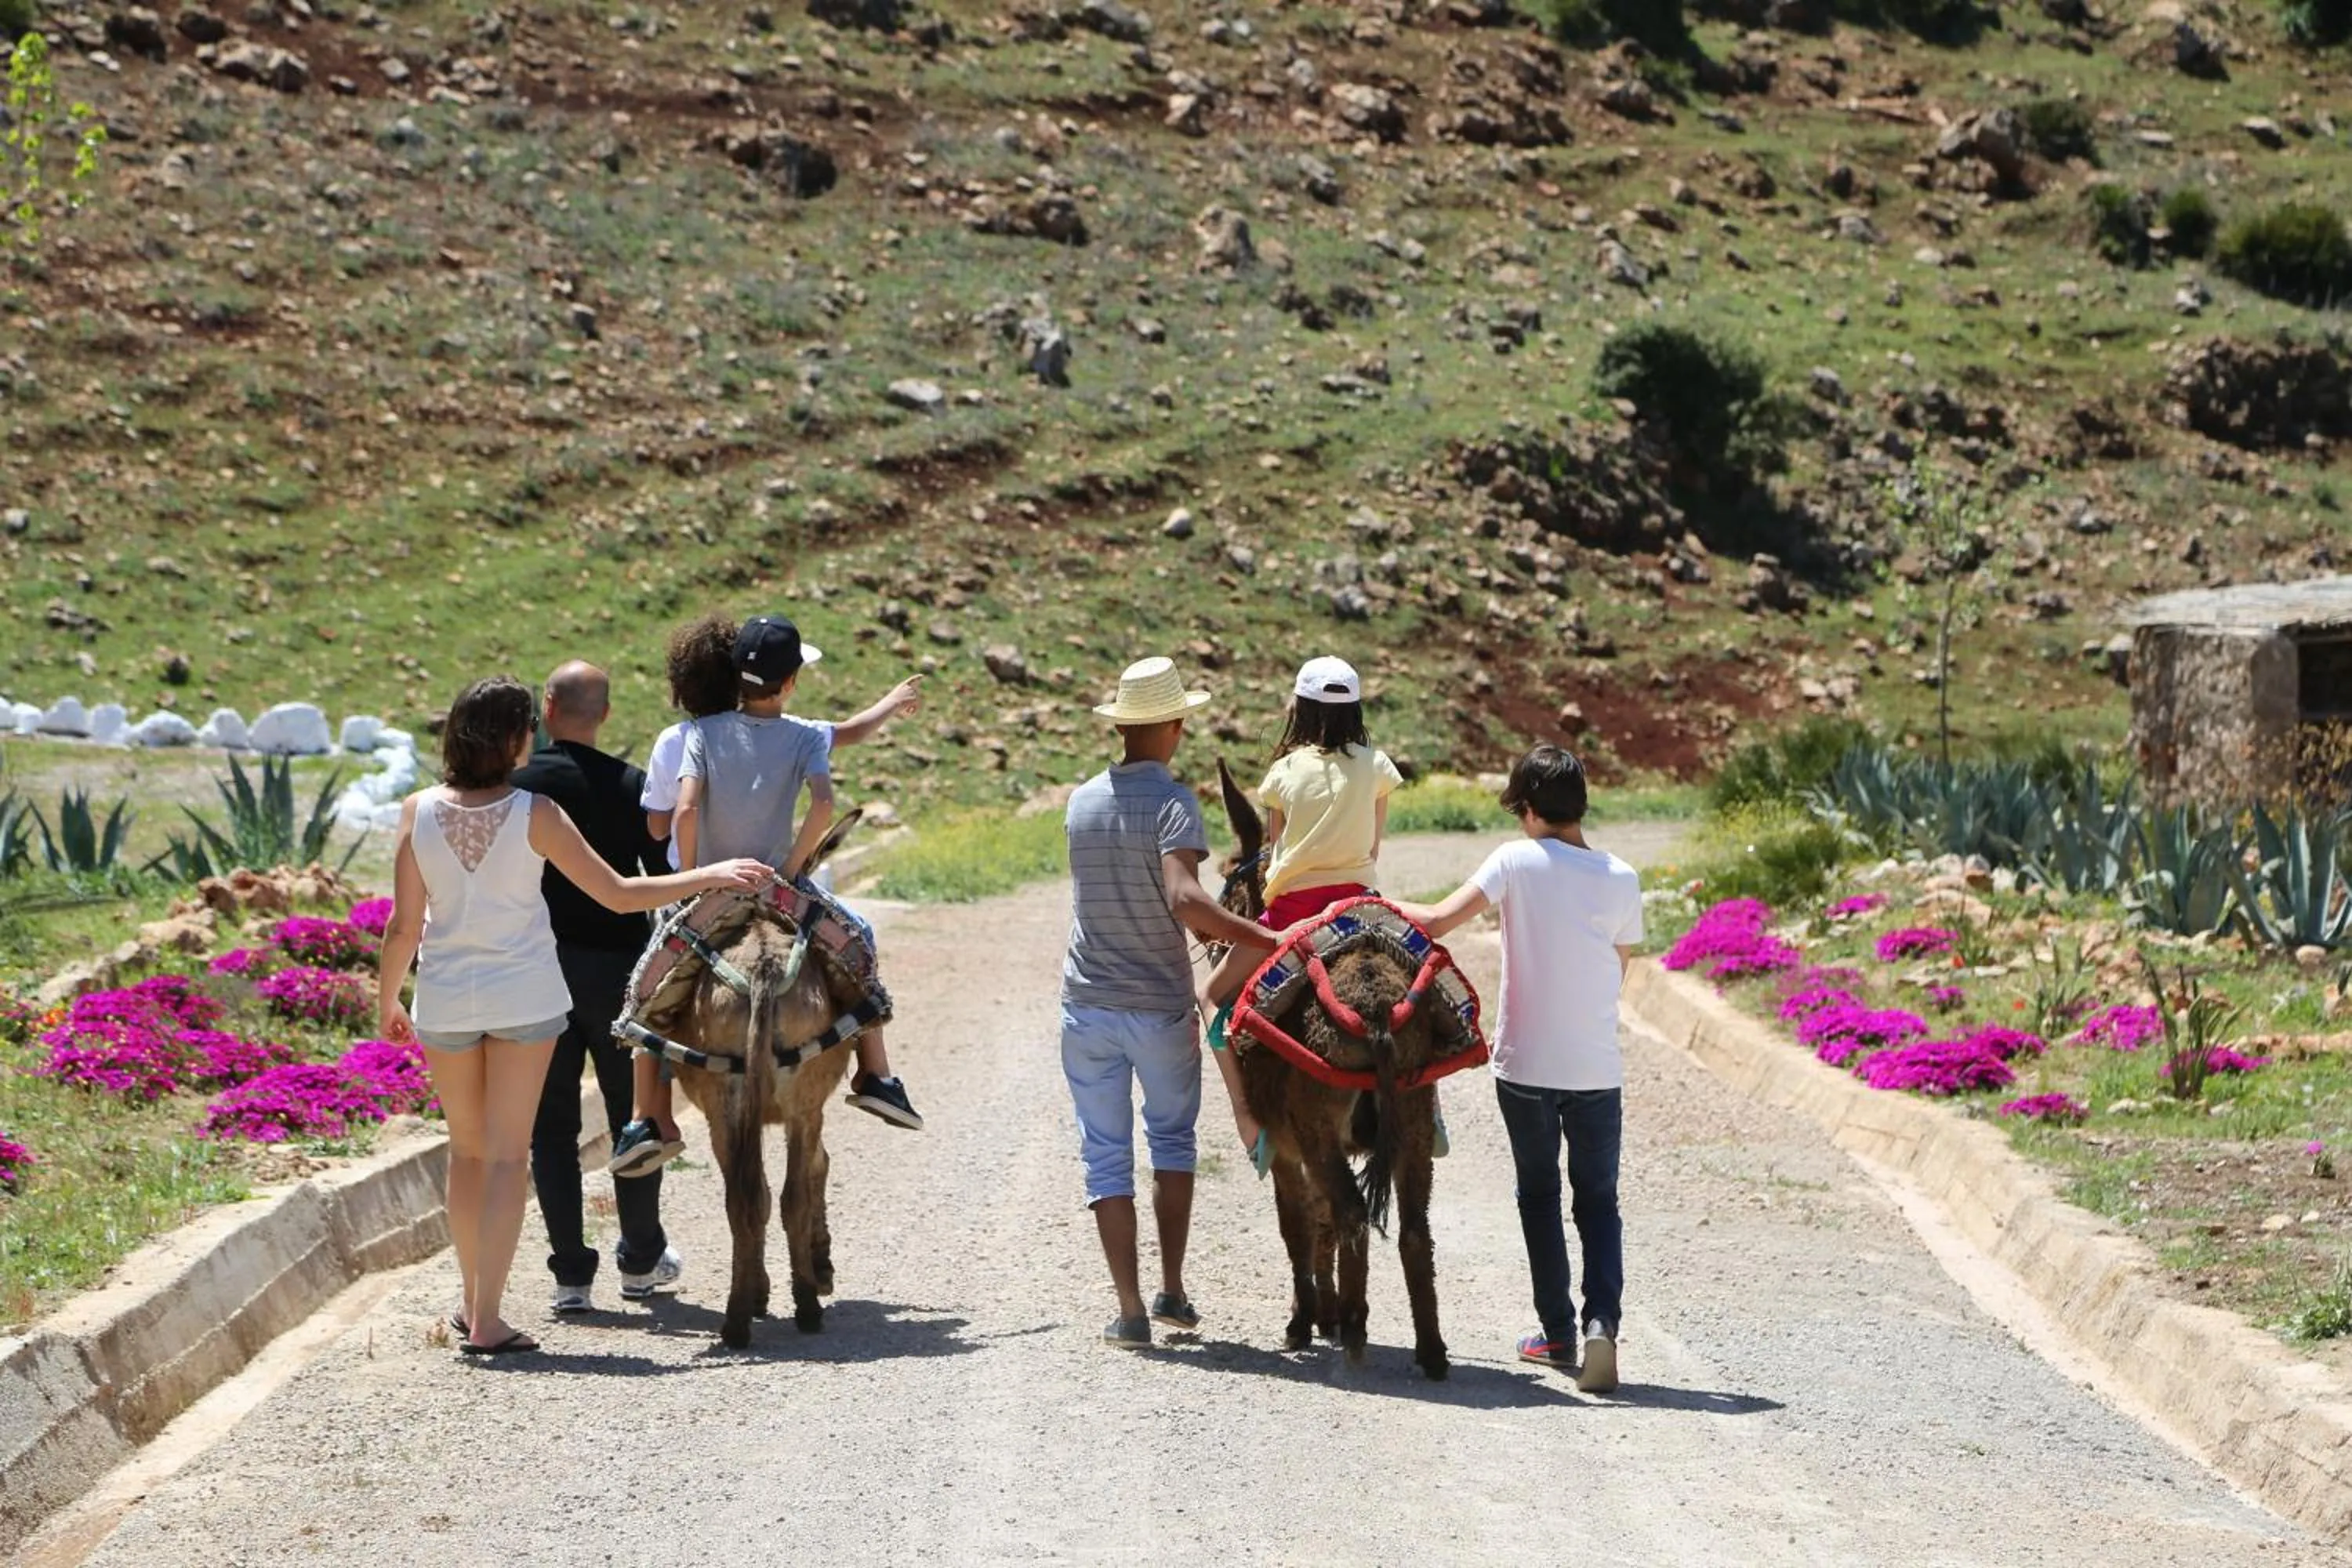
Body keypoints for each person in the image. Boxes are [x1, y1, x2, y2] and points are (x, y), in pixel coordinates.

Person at [376, 676, 770, 1356]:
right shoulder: (534, 813)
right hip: (524, 998)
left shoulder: (416, 811)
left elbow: (403, 925)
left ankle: (472, 1306)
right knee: (505, 1159)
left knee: (466, 1156)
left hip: (442, 999)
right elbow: (619, 896)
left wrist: (386, 1000)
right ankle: (489, 1319)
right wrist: (711, 875)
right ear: (515, 738)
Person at [609, 615, 925, 1174]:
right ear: (791, 682)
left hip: (709, 892)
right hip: (779, 891)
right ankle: (876, 1073)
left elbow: (681, 810)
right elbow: (825, 801)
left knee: (649, 986)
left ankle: (644, 1118)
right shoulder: (803, 734)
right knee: (858, 942)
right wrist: (795, 864)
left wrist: (703, 875)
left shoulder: (700, 735)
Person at [1391, 744, 1643, 1394]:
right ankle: (1601, 1326)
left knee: (1539, 1195)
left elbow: (1440, 920)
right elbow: (1619, 968)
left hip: (1526, 1065)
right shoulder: (1621, 876)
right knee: (1599, 1202)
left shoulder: (1514, 860)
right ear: (1580, 807)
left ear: (1528, 810)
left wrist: (1373, 904)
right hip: (1595, 1069)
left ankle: (1556, 1330)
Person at [1062, 655, 1279, 1349]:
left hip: (1086, 1005)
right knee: (1172, 1143)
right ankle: (1173, 1291)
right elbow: (1186, 900)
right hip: (1157, 1007)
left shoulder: (1081, 800)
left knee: (1105, 1155)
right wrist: (1267, 938)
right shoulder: (1173, 803)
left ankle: (1128, 1311)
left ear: (1124, 726)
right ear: (1176, 725)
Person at [511, 661, 683, 1316]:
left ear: (547, 708)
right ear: (604, 714)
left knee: (550, 1129)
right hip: (619, 978)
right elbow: (654, 879)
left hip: (540, 976)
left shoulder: (519, 788)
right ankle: (640, 1261)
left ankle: (571, 1279)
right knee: (632, 1119)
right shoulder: (632, 787)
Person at [1199, 655, 1403, 1159]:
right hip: (1362, 912)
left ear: (1302, 711)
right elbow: (1372, 851)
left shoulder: (1284, 772)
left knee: (1209, 995)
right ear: (1356, 710)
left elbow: (1275, 852)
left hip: (1293, 917)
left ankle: (1249, 1122)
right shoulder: (1376, 766)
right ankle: (1429, 1116)